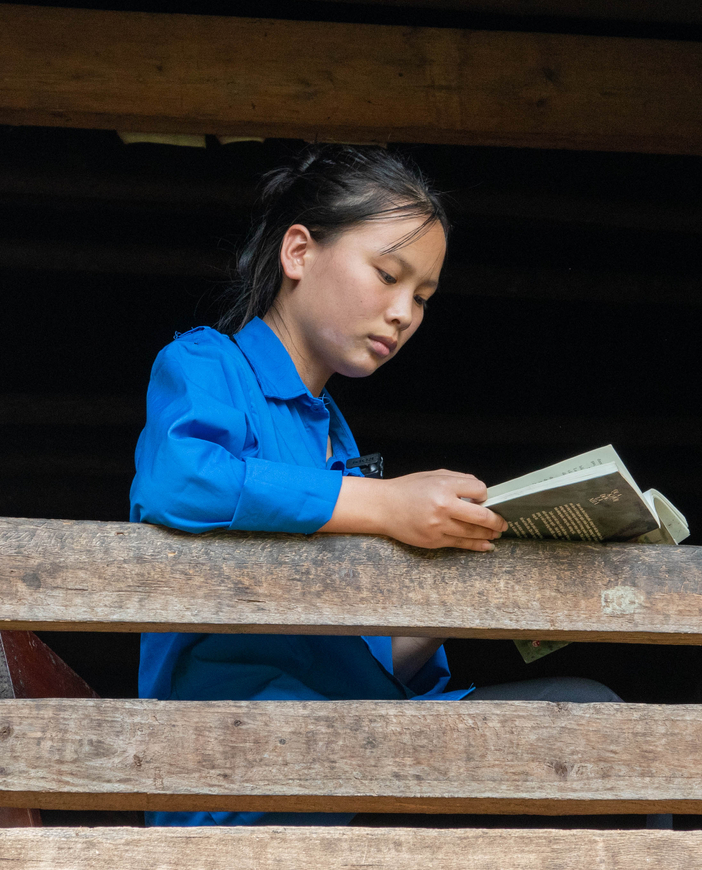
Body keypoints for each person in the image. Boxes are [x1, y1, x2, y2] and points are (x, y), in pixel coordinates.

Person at [130, 145, 626, 829]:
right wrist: (387, 504)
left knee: (602, 732)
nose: (403, 313)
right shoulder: (208, 363)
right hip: (238, 772)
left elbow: (356, 658)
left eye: (421, 298)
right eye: (388, 276)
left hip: (353, 750)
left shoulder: (338, 443)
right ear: (298, 252)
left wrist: (470, 587)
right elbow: (183, 480)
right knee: (589, 722)